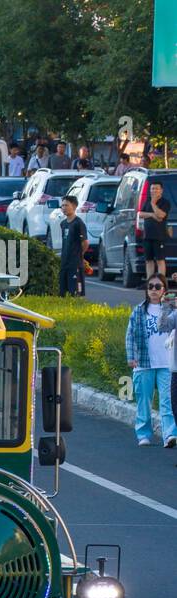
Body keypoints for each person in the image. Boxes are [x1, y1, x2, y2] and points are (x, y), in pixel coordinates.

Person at [125, 278, 177, 447]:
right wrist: (130, 356)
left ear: (164, 289)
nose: (154, 290)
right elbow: (130, 334)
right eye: (150, 287)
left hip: (166, 362)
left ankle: (169, 435)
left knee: (167, 401)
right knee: (144, 401)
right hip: (144, 362)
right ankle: (143, 434)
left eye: (158, 286)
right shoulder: (139, 310)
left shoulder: (171, 309)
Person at [138, 180, 170, 283]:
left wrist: (153, 204)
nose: (154, 191)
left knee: (160, 260)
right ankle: (150, 283)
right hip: (147, 235)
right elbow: (141, 214)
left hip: (159, 236)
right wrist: (152, 215)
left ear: (161, 190)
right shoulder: (147, 200)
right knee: (148, 261)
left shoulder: (165, 202)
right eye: (152, 188)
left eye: (156, 189)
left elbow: (161, 215)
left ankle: (161, 284)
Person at [58, 195, 89, 298]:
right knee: (62, 291)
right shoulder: (63, 224)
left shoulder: (78, 223)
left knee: (75, 292)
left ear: (74, 206)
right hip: (64, 262)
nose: (64, 208)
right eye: (62, 206)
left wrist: (80, 254)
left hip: (75, 263)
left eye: (66, 205)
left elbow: (85, 242)